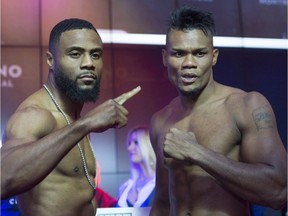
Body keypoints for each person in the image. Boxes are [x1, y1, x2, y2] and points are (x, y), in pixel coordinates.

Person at [149, 6, 287, 216]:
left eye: (199, 53)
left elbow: (279, 191)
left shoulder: (246, 106)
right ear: (164, 57)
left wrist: (197, 152)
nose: (189, 63)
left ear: (213, 57)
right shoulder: (160, 120)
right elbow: (162, 203)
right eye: (179, 53)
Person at [1, 18, 141, 216]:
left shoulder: (73, 118)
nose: (88, 63)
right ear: (51, 60)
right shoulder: (35, 116)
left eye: (95, 54)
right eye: (75, 54)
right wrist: (86, 124)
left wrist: (83, 124)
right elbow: (3, 179)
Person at [117, 126, 156, 207]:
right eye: (129, 143)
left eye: (136, 142)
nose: (129, 148)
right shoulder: (126, 187)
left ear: (147, 145)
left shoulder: (162, 184)